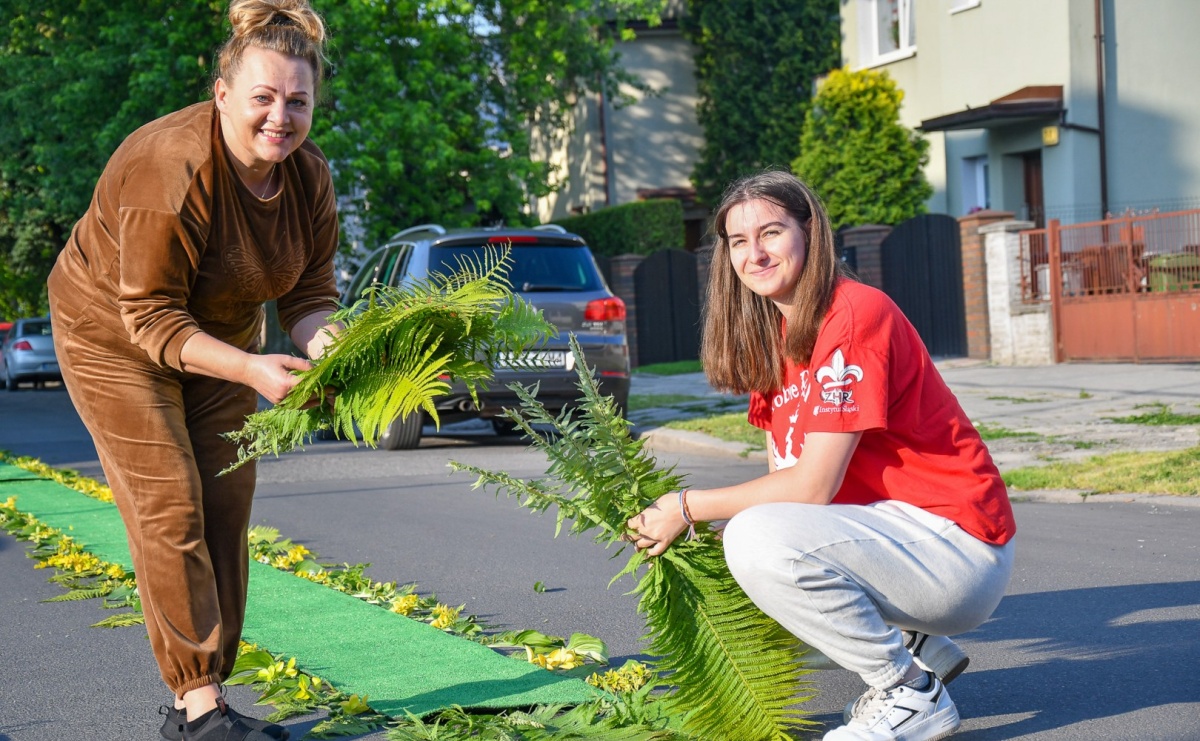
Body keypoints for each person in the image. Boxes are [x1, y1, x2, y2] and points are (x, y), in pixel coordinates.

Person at [626, 170, 1016, 741]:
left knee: (752, 536)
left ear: (810, 233)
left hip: (957, 544)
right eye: (738, 241)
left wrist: (687, 506)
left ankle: (907, 690)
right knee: (744, 540)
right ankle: (921, 646)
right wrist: (716, 524)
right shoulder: (775, 340)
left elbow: (809, 489)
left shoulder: (854, 315)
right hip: (900, 537)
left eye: (772, 233)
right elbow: (786, 481)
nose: (754, 254)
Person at [47, 1, 341, 738]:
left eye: (298, 101)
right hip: (112, 336)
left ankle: (205, 698)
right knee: (170, 504)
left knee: (225, 502)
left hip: (224, 342)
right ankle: (201, 705)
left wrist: (333, 348)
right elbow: (149, 318)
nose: (281, 116)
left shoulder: (308, 180)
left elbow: (309, 296)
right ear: (222, 95)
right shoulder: (169, 167)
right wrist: (251, 369)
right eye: (264, 98)